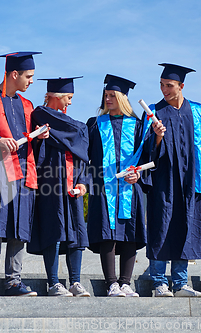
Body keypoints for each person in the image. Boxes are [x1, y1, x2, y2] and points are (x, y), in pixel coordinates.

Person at [0, 51, 48, 296]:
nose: (32, 81)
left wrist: (40, 137)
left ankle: (14, 281)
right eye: (29, 76)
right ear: (14, 74)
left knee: (19, 228)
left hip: (24, 172)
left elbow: (30, 141)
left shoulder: (27, 105)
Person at [142, 63, 201, 297]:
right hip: (163, 182)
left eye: (169, 85)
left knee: (187, 227)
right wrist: (156, 137)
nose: (164, 89)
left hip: (190, 181)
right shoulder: (154, 112)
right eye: (161, 85)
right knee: (161, 227)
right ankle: (158, 282)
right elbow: (147, 152)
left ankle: (180, 282)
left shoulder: (197, 111)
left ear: (181, 86)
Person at [86, 75, 150, 297]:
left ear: (122, 98)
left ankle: (125, 283)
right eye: (106, 95)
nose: (108, 99)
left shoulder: (139, 126)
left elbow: (149, 157)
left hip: (130, 189)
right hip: (104, 189)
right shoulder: (94, 124)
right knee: (108, 233)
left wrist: (139, 175)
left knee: (130, 233)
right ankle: (111, 283)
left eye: (112, 95)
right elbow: (85, 157)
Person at [27, 76, 90, 297]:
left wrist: (83, 183)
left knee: (77, 233)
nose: (70, 103)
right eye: (68, 98)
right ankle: (54, 282)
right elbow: (79, 132)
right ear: (55, 96)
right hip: (49, 184)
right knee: (53, 230)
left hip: (72, 185)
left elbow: (83, 155)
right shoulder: (39, 115)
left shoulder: (71, 125)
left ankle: (75, 282)